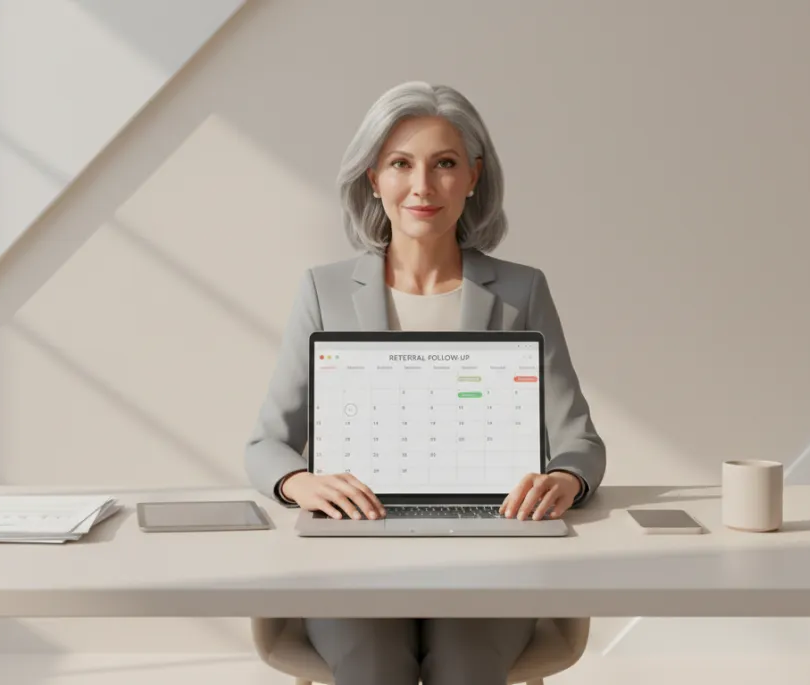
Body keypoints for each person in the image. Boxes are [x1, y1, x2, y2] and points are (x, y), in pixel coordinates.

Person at [244, 81, 606, 685]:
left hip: (488, 553)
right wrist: (299, 482)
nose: (422, 187)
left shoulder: (522, 291)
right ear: (372, 178)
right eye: (400, 164)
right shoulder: (323, 291)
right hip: (354, 553)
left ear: (473, 176)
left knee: (466, 665)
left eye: (444, 164)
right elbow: (265, 444)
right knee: (374, 665)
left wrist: (564, 479)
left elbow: (581, 441)